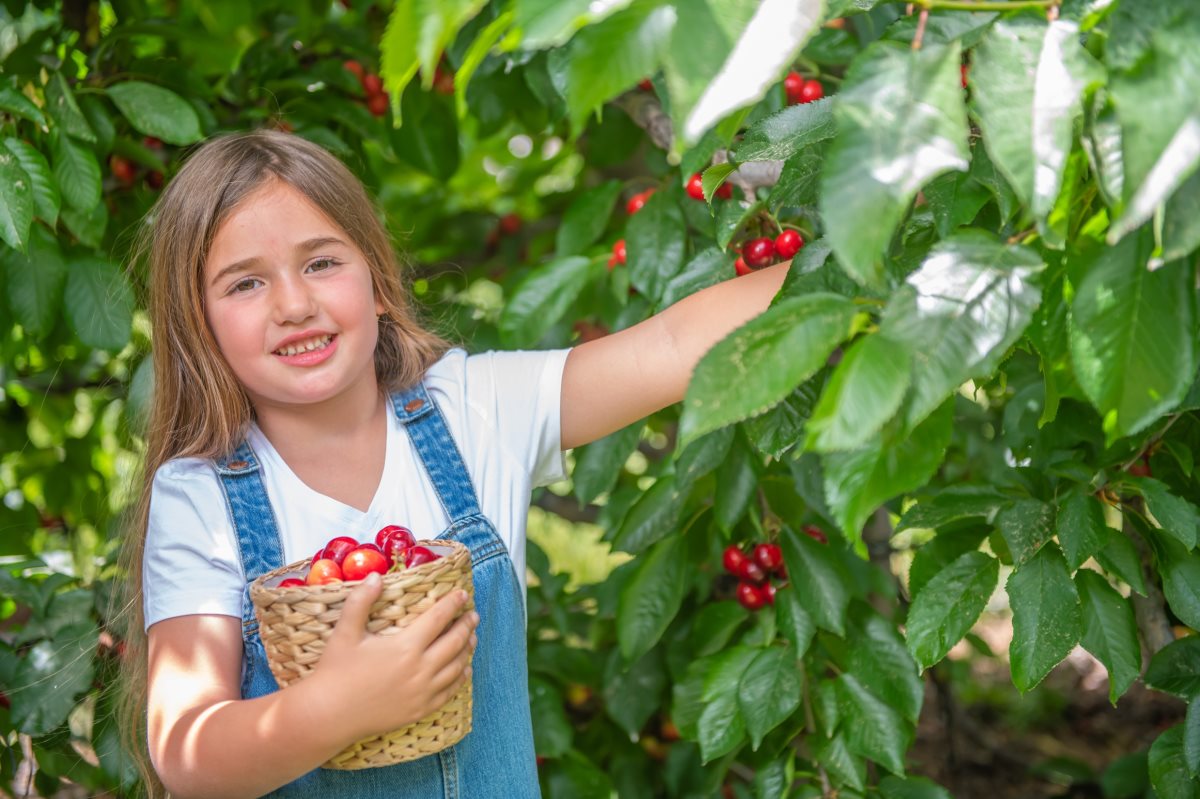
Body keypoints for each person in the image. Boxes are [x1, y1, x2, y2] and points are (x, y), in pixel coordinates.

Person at [118, 129, 789, 798]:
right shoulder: (202, 497)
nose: (294, 305)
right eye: (245, 283)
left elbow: (670, 346)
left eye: (321, 263)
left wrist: (870, 262)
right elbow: (188, 751)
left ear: (379, 282)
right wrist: (333, 707)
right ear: (198, 324)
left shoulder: (473, 412)